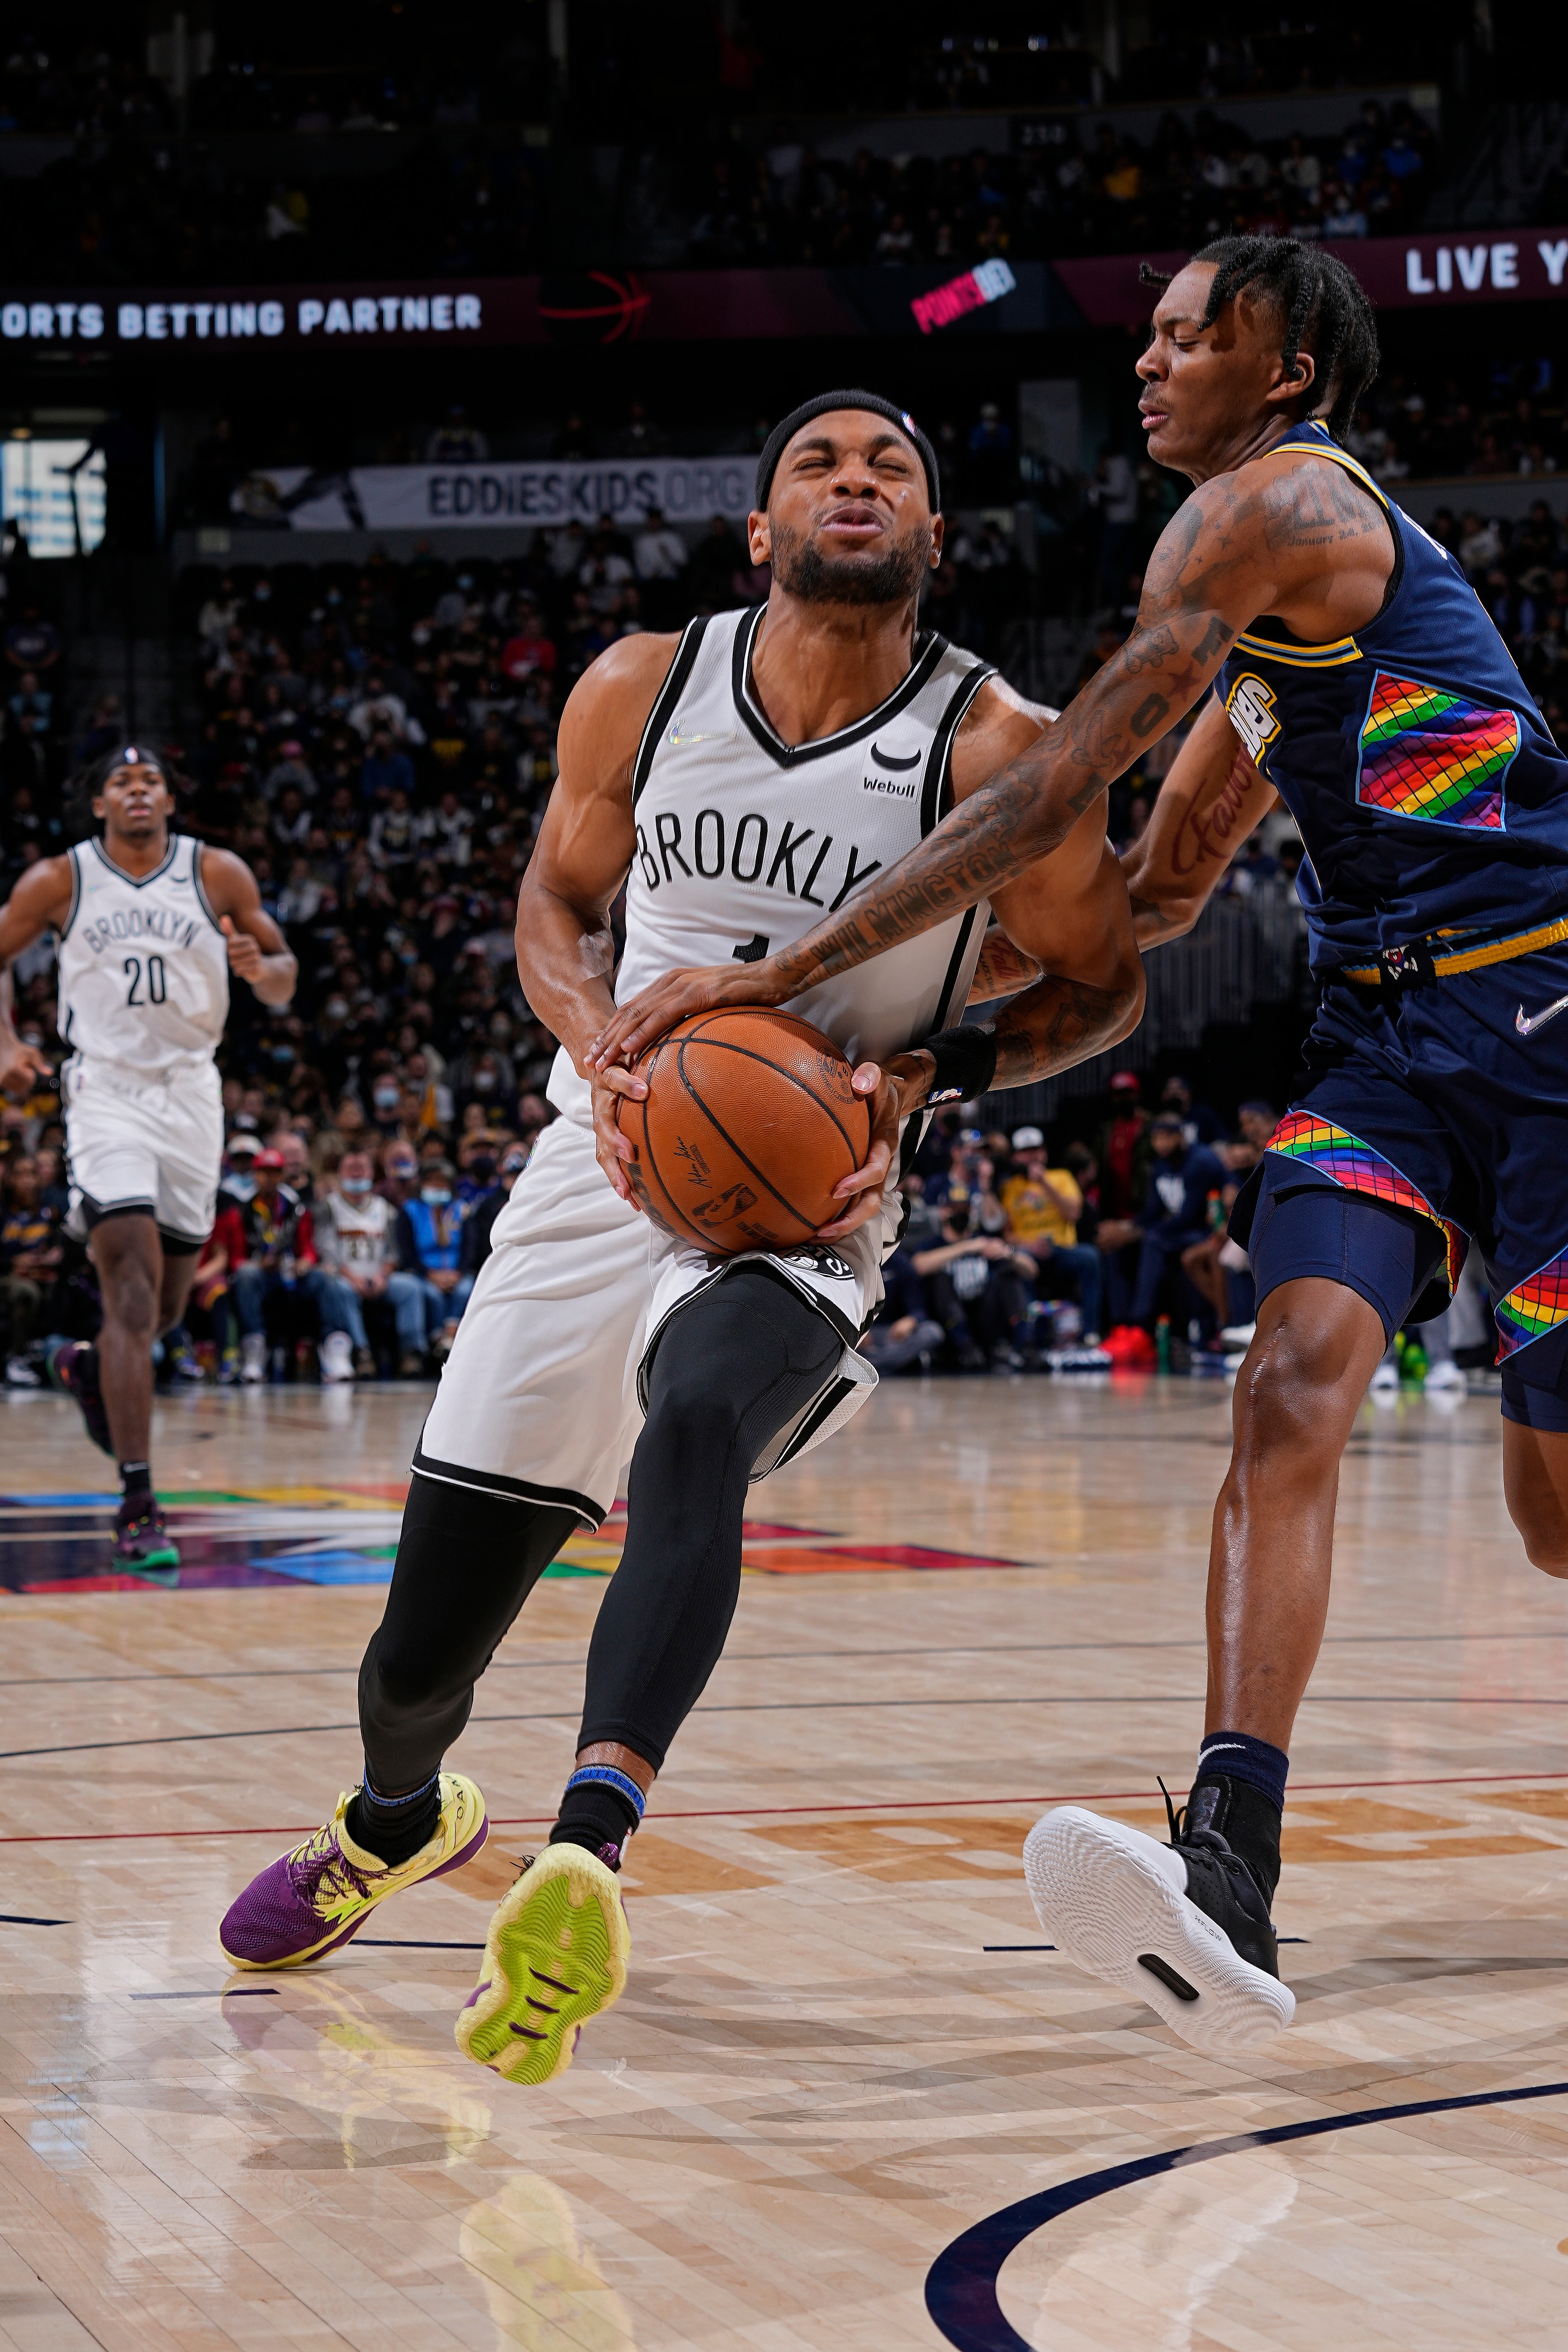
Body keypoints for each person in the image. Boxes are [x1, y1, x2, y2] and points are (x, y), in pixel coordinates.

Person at [590, 240, 1568, 2054]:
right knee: (1287, 1383)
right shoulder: (1272, 640)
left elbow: (1049, 792)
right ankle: (1231, 1858)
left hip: (1546, 1011)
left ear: (1281, 366)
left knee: (1554, 1524)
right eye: (1151, 329)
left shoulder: (1279, 506)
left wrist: (792, 976)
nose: (1150, 358)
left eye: (1189, 332)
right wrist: (915, 1054)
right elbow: (1142, 895)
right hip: (1381, 1045)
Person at [218, 389, 1145, 2085]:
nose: (852, 481)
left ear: (935, 540)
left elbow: (1106, 982)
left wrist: (927, 1074)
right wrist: (593, 1035)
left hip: (808, 1193)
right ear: (757, 528)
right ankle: (395, 1819)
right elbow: (552, 899)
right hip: (597, 1161)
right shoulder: (641, 687)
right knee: (414, 1658)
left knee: (699, 1412)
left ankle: (587, 1844)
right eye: (818, 462)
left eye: (891, 471)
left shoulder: (997, 745)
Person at [0, 745, 296, 1575]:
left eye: (152, 780)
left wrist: (260, 969)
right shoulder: (61, 880)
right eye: (122, 782)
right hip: (107, 1090)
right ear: (99, 804)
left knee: (164, 1310)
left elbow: (284, 977)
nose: (139, 791)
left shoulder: (219, 872)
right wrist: (6, 1040)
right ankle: (138, 1500)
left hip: (193, 1095)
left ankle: (87, 1367)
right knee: (127, 1291)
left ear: (169, 798)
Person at [1000, 1124, 1104, 1344]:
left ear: (1045, 1153)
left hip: (1061, 1248)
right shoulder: (1010, 1188)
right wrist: (1029, 1245)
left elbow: (1074, 1213)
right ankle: (1028, 1338)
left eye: (1036, 1150)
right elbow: (1006, 1235)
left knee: (1091, 1257)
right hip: (1028, 1251)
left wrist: (1044, 1182)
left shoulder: (1062, 1177)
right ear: (1016, 1156)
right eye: (1026, 1151)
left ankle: (1090, 1333)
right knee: (1016, 1264)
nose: (1032, 1156)